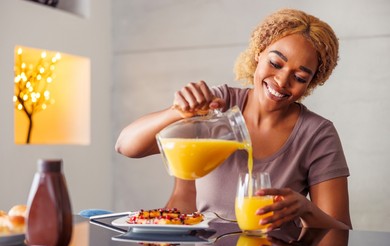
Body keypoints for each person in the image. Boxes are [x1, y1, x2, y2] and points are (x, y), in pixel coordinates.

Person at [115, 8, 352, 230]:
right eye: (275, 63)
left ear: (311, 83)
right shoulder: (218, 105)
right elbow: (125, 146)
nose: (281, 81)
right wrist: (178, 112)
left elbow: (339, 233)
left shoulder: (317, 135)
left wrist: (307, 210)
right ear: (259, 52)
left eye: (299, 77)